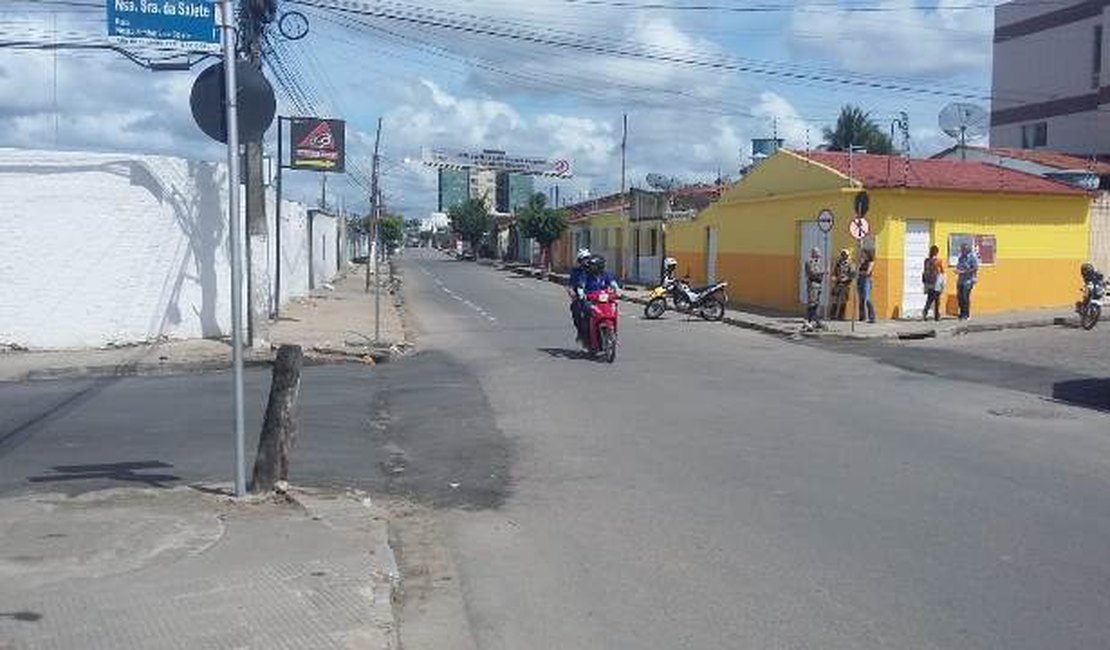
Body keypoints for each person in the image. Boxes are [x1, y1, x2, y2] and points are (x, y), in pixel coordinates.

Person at [567, 249, 592, 343]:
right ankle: (581, 332)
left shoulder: (594, 270)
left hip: (595, 296)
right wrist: (572, 292)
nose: (586, 261)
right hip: (581, 298)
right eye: (584, 259)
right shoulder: (576, 272)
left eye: (588, 258)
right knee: (575, 310)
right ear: (580, 260)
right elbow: (570, 285)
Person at [921, 244, 945, 321]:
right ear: (937, 252)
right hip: (936, 281)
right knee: (936, 299)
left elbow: (924, 270)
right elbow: (942, 271)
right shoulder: (938, 261)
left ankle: (926, 312)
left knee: (930, 298)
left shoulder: (926, 260)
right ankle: (936, 315)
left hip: (928, 281)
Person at [955, 242, 979, 321]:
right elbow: (959, 266)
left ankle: (967, 314)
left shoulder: (972, 257)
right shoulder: (961, 257)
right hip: (960, 280)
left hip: (968, 280)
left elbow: (975, 268)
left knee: (965, 297)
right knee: (959, 297)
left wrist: (964, 272)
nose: (961, 251)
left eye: (963, 249)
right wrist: (957, 270)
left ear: (967, 250)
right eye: (961, 249)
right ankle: (962, 314)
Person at [803, 247, 826, 327]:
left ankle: (816, 320)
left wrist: (822, 273)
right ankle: (808, 321)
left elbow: (820, 271)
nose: (819, 254)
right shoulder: (809, 262)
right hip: (813, 284)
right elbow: (812, 273)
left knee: (816, 303)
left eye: (819, 253)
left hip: (818, 284)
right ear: (813, 253)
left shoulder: (819, 263)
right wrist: (822, 273)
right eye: (817, 253)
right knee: (812, 303)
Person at [829, 249, 854, 320]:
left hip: (846, 284)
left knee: (843, 300)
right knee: (835, 300)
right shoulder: (838, 263)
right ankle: (832, 315)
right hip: (837, 283)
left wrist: (846, 278)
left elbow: (852, 274)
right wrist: (834, 277)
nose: (843, 256)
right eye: (842, 254)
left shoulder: (850, 264)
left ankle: (841, 316)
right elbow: (834, 272)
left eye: (845, 255)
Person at [857, 248, 876, 323]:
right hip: (860, 280)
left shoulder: (870, 262)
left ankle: (872, 317)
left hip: (866, 280)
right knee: (861, 299)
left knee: (867, 298)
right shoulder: (862, 262)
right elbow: (857, 270)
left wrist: (860, 272)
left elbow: (868, 272)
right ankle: (862, 317)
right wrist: (859, 264)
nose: (862, 255)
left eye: (863, 253)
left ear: (867, 254)